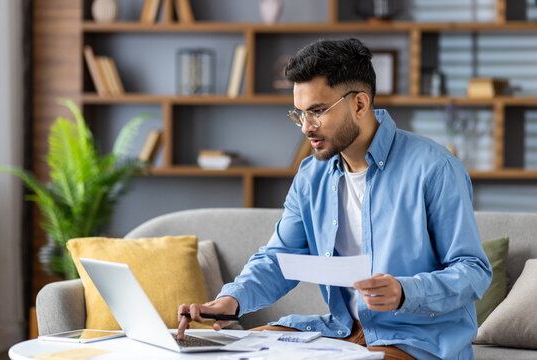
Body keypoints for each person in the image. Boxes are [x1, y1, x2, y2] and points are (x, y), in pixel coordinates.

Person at [177, 38, 492, 360]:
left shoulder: (434, 168)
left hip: (415, 338)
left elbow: (473, 271)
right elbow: (279, 259)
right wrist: (231, 301)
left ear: (359, 104)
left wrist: (405, 292)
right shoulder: (311, 175)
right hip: (340, 330)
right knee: (221, 354)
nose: (305, 128)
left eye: (316, 112)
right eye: (299, 114)